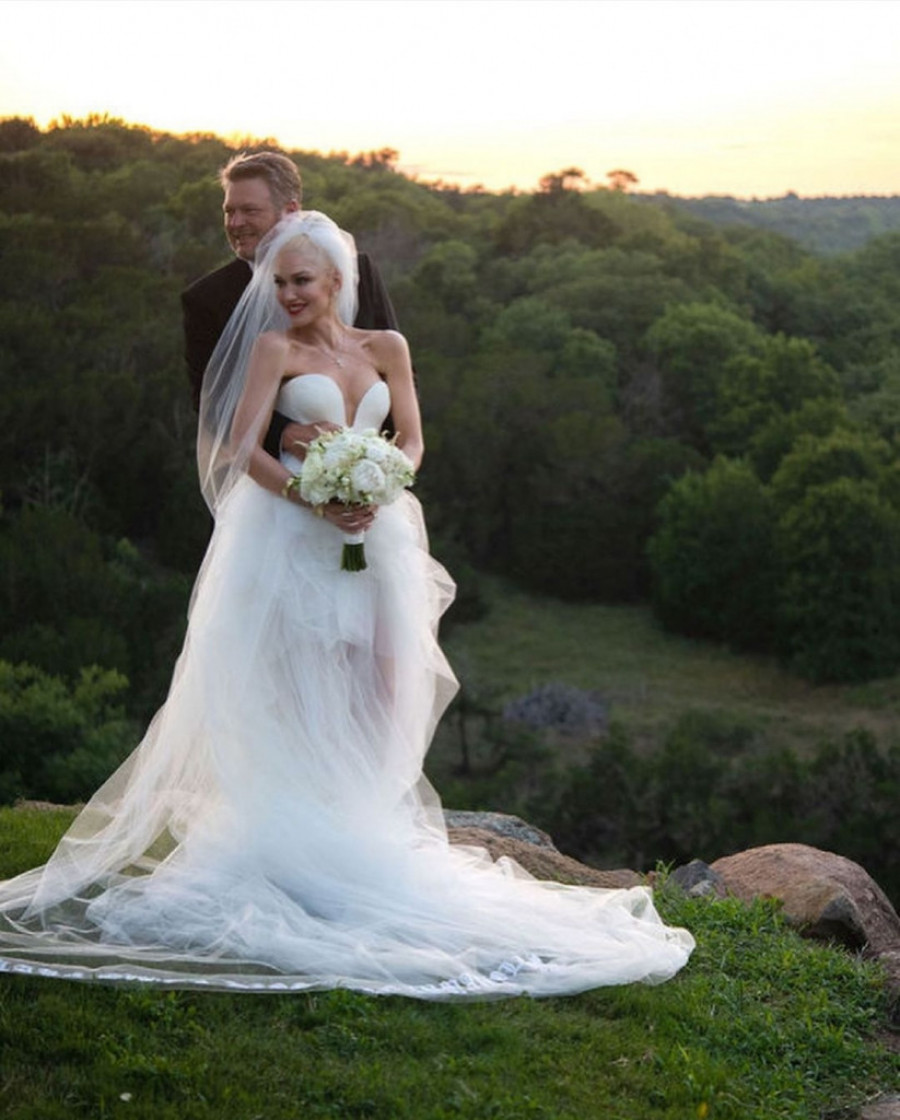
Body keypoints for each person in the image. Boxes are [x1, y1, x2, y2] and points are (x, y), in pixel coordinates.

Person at [0, 212, 694, 998]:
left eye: (302, 280)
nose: (288, 294)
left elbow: (414, 439)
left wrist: (382, 476)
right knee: (300, 684)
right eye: (279, 282)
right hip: (292, 540)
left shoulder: (387, 346)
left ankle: (361, 828)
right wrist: (314, 496)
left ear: (337, 280)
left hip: (379, 535)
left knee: (381, 685)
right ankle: (297, 843)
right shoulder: (273, 350)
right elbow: (242, 447)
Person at [181, 150, 399, 453]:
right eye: (229, 211)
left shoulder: (356, 272)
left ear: (291, 211)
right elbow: (212, 404)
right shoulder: (206, 299)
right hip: (272, 470)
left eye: (250, 211)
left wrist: (377, 463)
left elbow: (398, 375)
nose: (235, 223)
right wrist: (286, 435)